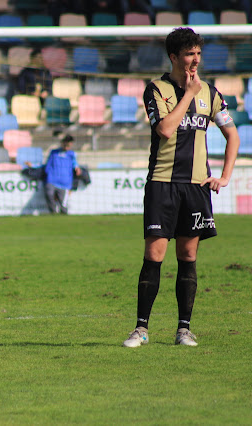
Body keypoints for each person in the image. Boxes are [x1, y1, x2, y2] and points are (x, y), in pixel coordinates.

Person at [123, 27, 239, 348]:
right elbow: (164, 129)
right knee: (154, 254)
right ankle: (141, 329)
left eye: (198, 54)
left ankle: (183, 329)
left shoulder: (212, 94)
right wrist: (188, 93)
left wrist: (225, 176)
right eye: (189, 54)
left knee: (188, 255)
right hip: (162, 184)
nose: (195, 60)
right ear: (174, 57)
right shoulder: (156, 90)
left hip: (196, 187)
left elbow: (233, 136)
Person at [42, 134, 81, 214]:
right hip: (52, 180)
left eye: (69, 145)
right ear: (62, 143)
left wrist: (77, 168)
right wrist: (48, 173)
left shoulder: (72, 154)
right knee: (49, 194)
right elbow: (47, 165)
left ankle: (63, 216)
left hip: (65, 183)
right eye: (66, 144)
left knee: (63, 205)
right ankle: (53, 212)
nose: (67, 146)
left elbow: (75, 163)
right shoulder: (54, 153)